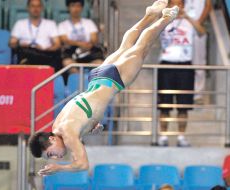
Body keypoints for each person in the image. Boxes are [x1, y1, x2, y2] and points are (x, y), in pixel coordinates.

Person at [29, 0, 179, 175]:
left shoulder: (68, 135)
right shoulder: (58, 126)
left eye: (50, 154)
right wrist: (93, 124)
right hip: (97, 78)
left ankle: (165, 18)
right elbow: (81, 119)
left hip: (111, 82)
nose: (55, 158)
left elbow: (83, 165)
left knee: (141, 48)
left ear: (52, 139)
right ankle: (149, 15)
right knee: (126, 46)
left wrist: (59, 169)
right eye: (52, 158)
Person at [157, 0, 206, 147]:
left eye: (179, 4)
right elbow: (151, 33)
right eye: (173, 4)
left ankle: (181, 136)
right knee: (164, 106)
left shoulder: (189, 22)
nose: (176, 7)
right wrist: (165, 17)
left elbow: (202, 32)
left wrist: (188, 17)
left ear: (184, 6)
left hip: (185, 66)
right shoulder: (163, 22)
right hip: (166, 65)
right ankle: (163, 136)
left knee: (184, 106)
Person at [9, 0, 61, 71]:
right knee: (24, 52)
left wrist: (44, 49)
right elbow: (12, 43)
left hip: (44, 54)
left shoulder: (50, 24)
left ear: (42, 8)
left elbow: (57, 45)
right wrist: (20, 44)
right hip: (26, 52)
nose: (35, 9)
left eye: (38, 6)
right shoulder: (20, 24)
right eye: (32, 6)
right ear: (27, 8)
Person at [58, 0, 104, 74]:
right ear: (68, 7)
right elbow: (65, 40)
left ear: (82, 8)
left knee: (100, 63)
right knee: (67, 63)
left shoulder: (89, 23)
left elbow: (94, 39)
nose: (76, 9)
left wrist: (86, 45)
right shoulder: (62, 25)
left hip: (88, 51)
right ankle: (79, 80)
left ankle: (89, 80)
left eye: (78, 6)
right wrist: (80, 44)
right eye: (73, 5)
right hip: (71, 53)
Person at [185, 0, 212, 104]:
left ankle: (198, 94)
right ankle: (183, 92)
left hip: (198, 29)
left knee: (199, 62)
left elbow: (208, 6)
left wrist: (198, 23)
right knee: (183, 61)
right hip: (184, 28)